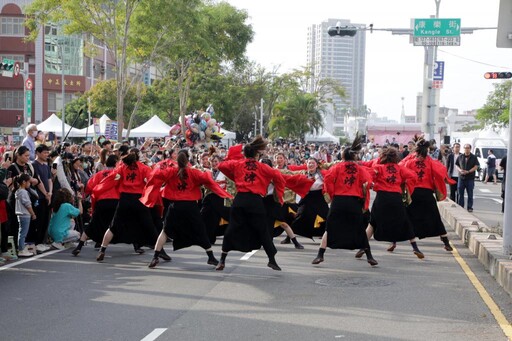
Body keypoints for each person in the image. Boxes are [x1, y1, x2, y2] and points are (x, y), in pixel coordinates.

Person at [142, 149, 232, 269]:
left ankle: (155, 256)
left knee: (165, 230)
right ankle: (211, 257)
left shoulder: (171, 171)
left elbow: (157, 175)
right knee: (200, 230)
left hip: (175, 206)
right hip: (190, 206)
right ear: (187, 160)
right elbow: (206, 179)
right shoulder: (193, 172)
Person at [215, 137, 286, 271]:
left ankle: (222, 260)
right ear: (257, 154)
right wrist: (279, 195)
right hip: (255, 201)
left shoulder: (237, 164)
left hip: (240, 200)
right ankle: (272, 260)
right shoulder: (263, 167)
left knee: (232, 228)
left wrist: (234, 175)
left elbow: (221, 165)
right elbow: (279, 178)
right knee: (262, 230)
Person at [311, 135, 377, 266]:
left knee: (329, 228)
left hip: (338, 201)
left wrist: (331, 194)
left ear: (343, 156)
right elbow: (368, 182)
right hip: (353, 202)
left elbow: (328, 180)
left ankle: (320, 254)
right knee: (359, 228)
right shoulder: (359, 169)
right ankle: (369, 256)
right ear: (354, 157)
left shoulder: (337, 167)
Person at [95, 148, 170, 262]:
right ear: (138, 157)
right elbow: (152, 179)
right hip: (138, 199)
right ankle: (160, 252)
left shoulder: (122, 167)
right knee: (149, 226)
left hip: (124, 199)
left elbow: (111, 178)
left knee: (113, 226)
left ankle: (102, 250)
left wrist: (100, 188)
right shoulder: (143, 168)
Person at [401, 137, 454, 252]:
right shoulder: (430, 162)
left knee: (407, 218)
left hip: (413, 194)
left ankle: (399, 243)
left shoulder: (409, 162)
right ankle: (446, 242)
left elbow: (400, 170)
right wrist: (446, 181)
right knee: (435, 218)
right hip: (427, 195)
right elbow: (441, 172)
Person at [13, 174, 36, 257]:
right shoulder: (23, 192)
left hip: (20, 214)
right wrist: (33, 214)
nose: (29, 184)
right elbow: (28, 204)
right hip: (25, 214)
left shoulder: (17, 191)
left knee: (21, 232)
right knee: (23, 233)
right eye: (28, 182)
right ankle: (21, 249)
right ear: (24, 182)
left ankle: (21, 248)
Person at [455, 144, 480, 212]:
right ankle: (461, 206)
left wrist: (468, 171)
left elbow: (476, 166)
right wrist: (460, 170)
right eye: (465, 148)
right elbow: (457, 165)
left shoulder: (474, 157)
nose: (466, 149)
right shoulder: (460, 156)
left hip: (470, 178)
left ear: (470, 149)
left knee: (470, 193)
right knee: (460, 193)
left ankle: (469, 207)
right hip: (461, 177)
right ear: (463, 149)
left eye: (468, 148)